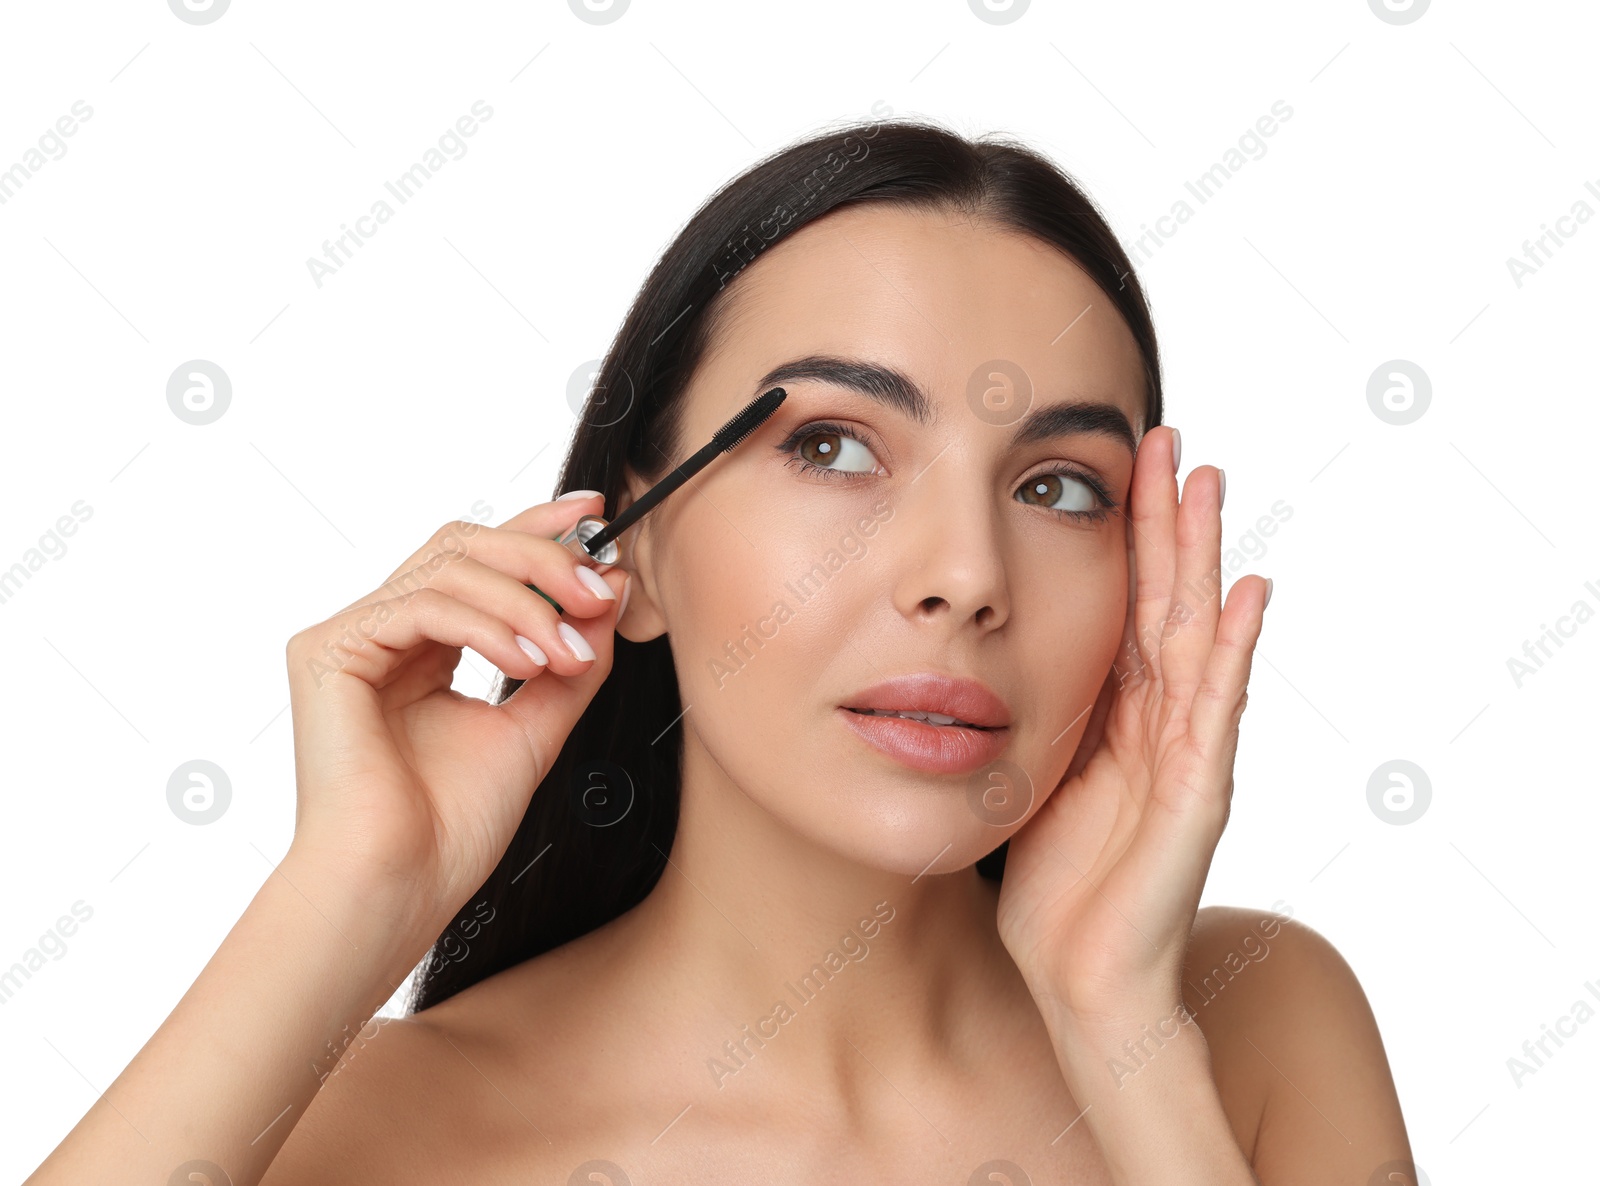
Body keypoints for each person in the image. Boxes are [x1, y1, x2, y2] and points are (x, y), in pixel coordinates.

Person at [28, 117, 1413, 1185]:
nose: (965, 578)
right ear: (629, 550)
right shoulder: (360, 1123)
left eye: (1059, 486)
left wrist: (1121, 1032)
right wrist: (350, 885)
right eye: (831, 446)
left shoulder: (1254, 1026)